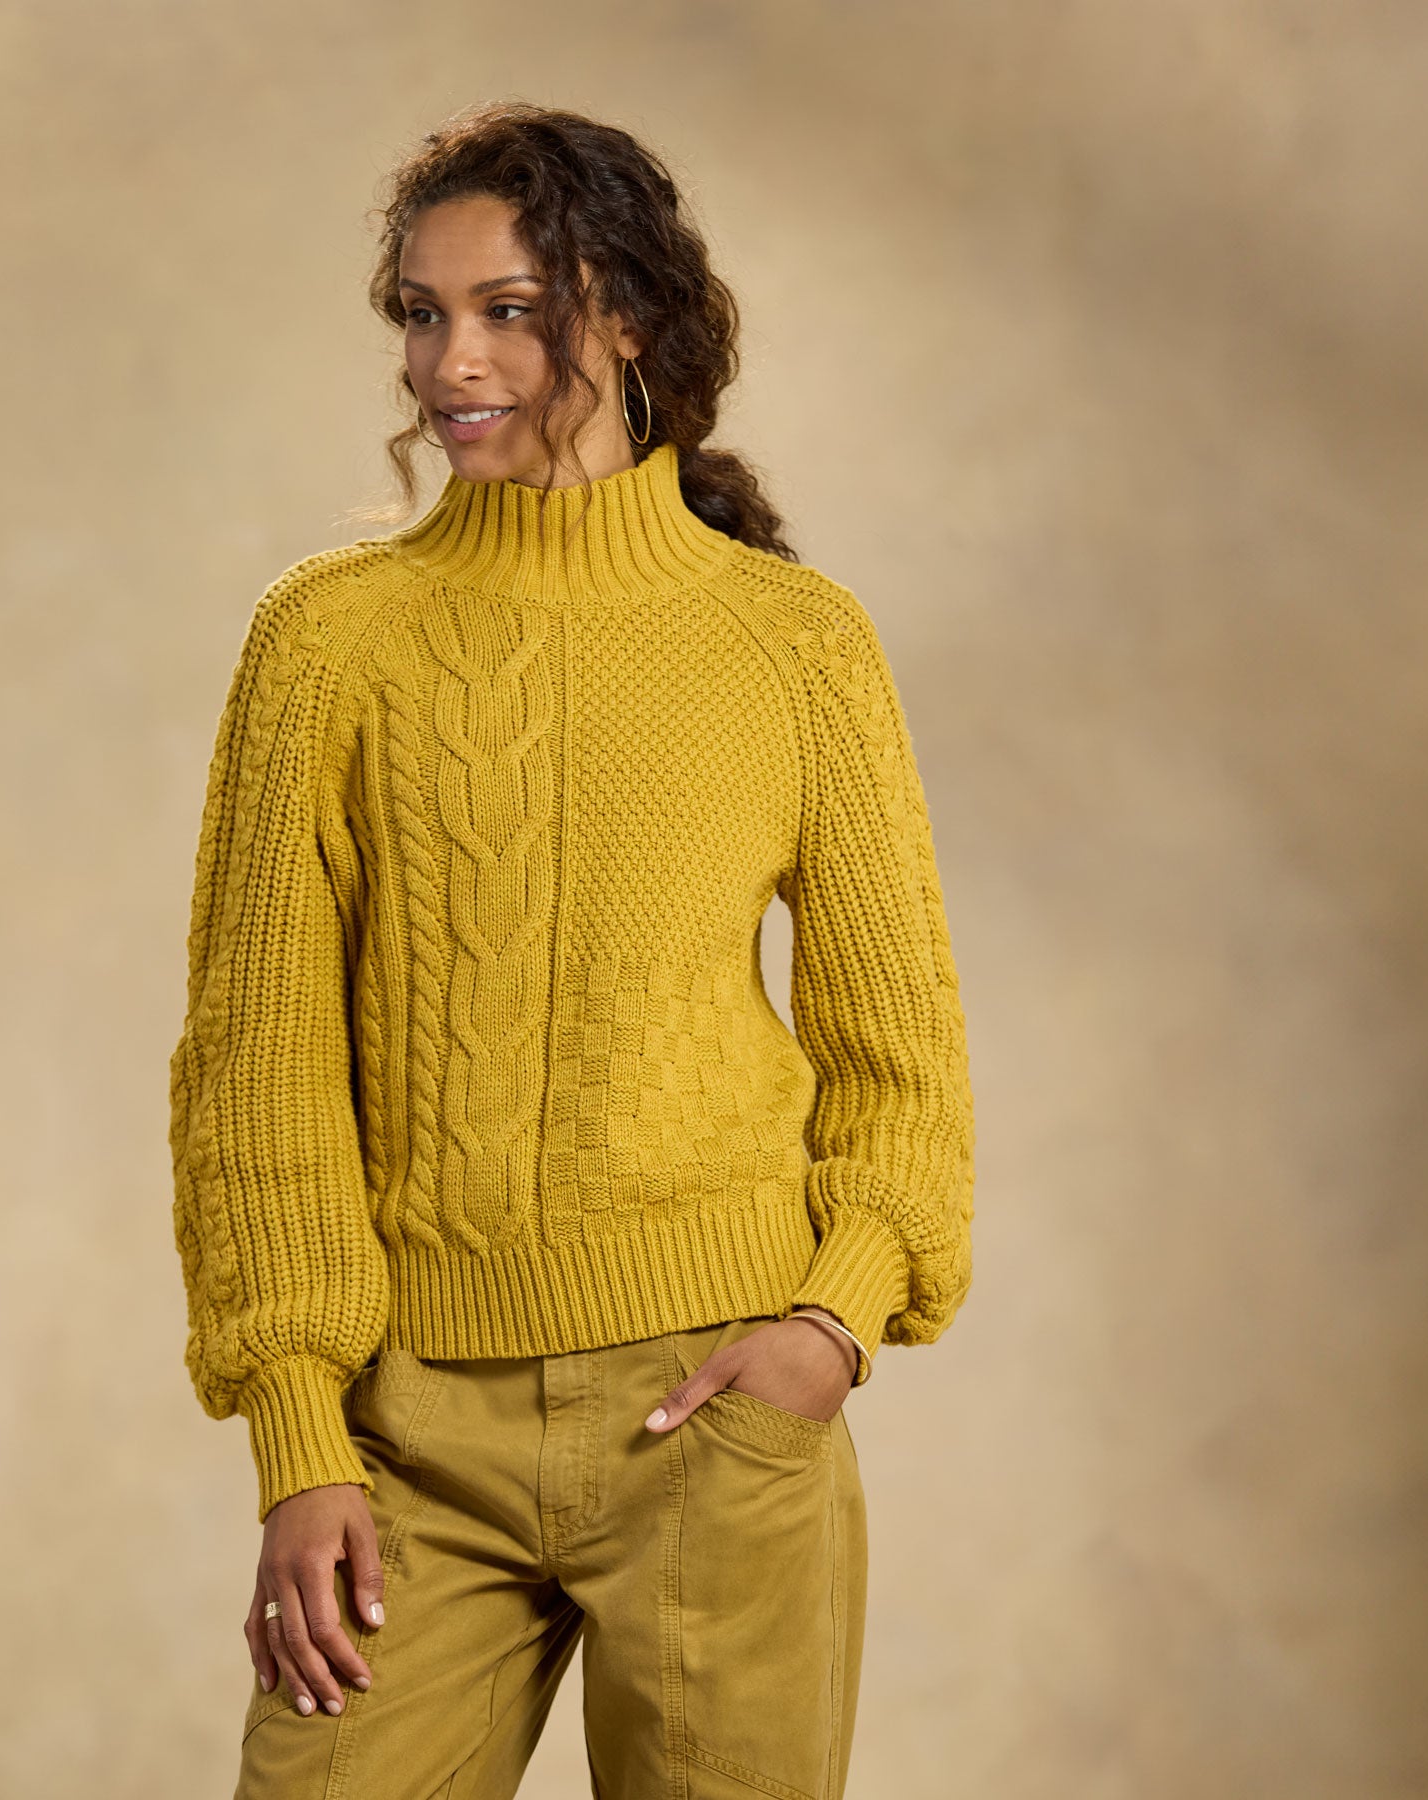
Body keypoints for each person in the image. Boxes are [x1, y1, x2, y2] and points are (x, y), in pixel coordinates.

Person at [168, 99, 976, 1800]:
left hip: (719, 1416)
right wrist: (301, 1438)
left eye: (507, 311)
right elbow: (260, 1075)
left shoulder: (797, 647)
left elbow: (902, 1062)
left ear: (627, 318)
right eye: (422, 312)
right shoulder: (325, 645)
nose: (449, 361)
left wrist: (828, 1329)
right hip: (406, 1440)